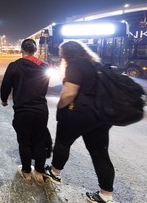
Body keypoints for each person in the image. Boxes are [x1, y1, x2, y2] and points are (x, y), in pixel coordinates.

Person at [43, 40, 115, 203]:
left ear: (66, 54)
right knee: (99, 152)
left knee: (63, 142)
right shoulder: (96, 65)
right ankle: (106, 195)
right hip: (101, 116)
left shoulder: (75, 65)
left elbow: (69, 93)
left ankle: (54, 173)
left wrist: (61, 107)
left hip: (80, 114)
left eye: (61, 54)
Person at [0, 38, 50, 186]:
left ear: (22, 49)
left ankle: (27, 173)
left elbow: (6, 85)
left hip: (23, 110)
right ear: (35, 50)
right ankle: (40, 173)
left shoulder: (15, 66)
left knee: (24, 141)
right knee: (40, 140)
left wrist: (4, 100)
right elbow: (45, 88)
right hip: (41, 109)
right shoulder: (44, 66)